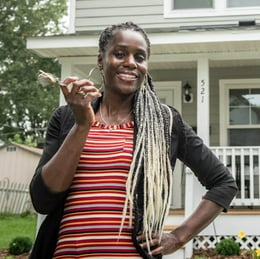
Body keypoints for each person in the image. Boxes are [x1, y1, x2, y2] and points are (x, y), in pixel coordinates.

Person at [29, 21, 237, 259]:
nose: (130, 63)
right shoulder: (67, 118)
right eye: (119, 54)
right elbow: (42, 200)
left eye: (140, 57)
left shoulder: (164, 122)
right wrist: (82, 125)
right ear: (100, 61)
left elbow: (223, 183)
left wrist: (179, 237)